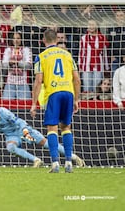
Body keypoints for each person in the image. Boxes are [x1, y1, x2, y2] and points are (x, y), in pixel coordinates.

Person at [0, 98, 85, 167]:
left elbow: (18, 121)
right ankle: (36, 160)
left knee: (46, 144)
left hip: (21, 129)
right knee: (10, 147)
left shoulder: (3, 111)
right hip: (11, 135)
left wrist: (25, 130)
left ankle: (74, 157)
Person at [30, 28, 81, 173]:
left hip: (53, 93)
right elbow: (77, 79)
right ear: (57, 40)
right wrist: (76, 99)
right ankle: (69, 163)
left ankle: (55, 163)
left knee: (52, 128)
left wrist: (34, 103)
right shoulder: (67, 55)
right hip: (68, 93)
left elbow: (38, 81)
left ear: (43, 40)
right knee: (66, 127)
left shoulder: (41, 56)